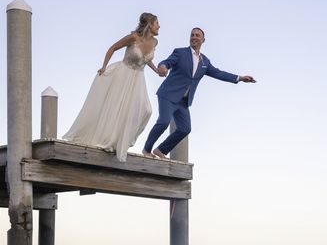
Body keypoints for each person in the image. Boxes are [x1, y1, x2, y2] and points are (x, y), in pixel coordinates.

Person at [142, 27, 256, 159]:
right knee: (163, 122)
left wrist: (240, 78)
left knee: (185, 129)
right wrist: (163, 66)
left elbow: (219, 73)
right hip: (168, 94)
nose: (194, 37)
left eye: (197, 35)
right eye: (192, 35)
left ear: (203, 40)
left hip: (183, 101)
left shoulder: (205, 62)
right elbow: (167, 62)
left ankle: (160, 150)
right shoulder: (180, 52)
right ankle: (147, 150)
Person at [63, 13, 162, 161]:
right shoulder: (133, 38)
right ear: (149, 25)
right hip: (123, 74)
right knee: (117, 108)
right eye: (156, 23)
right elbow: (113, 48)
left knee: (146, 110)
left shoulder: (154, 42)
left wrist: (157, 71)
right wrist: (103, 67)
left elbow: (145, 59)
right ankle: (110, 140)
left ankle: (124, 140)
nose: (159, 26)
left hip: (138, 79)